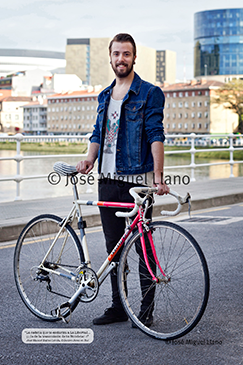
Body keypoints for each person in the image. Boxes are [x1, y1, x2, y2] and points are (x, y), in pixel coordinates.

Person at [76, 33, 169, 326]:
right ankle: (118, 306)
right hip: (106, 178)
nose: (121, 59)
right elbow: (97, 133)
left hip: (137, 181)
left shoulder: (149, 93)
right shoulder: (105, 95)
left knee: (142, 246)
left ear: (134, 57)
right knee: (113, 247)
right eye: (117, 54)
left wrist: (159, 177)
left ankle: (145, 309)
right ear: (110, 57)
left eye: (126, 54)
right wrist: (90, 159)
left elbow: (156, 134)